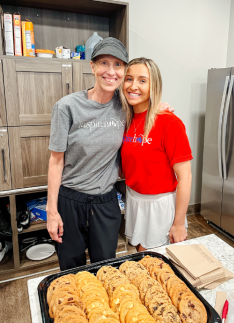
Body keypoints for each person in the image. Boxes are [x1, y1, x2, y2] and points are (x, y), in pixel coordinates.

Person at [46, 38, 131, 270]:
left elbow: (148, 104)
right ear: (92, 67)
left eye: (118, 65)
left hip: (105, 202)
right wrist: (51, 211)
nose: (111, 71)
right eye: (104, 63)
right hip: (70, 201)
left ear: (124, 70)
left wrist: (161, 107)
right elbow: (56, 161)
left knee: (105, 269)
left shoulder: (125, 106)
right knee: (71, 269)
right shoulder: (67, 107)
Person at [120, 57, 193, 252]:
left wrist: (178, 223)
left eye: (142, 80)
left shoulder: (169, 123)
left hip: (160, 205)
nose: (133, 86)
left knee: (159, 265)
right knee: (140, 257)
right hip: (135, 200)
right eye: (129, 79)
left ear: (154, 85)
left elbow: (185, 176)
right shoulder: (126, 119)